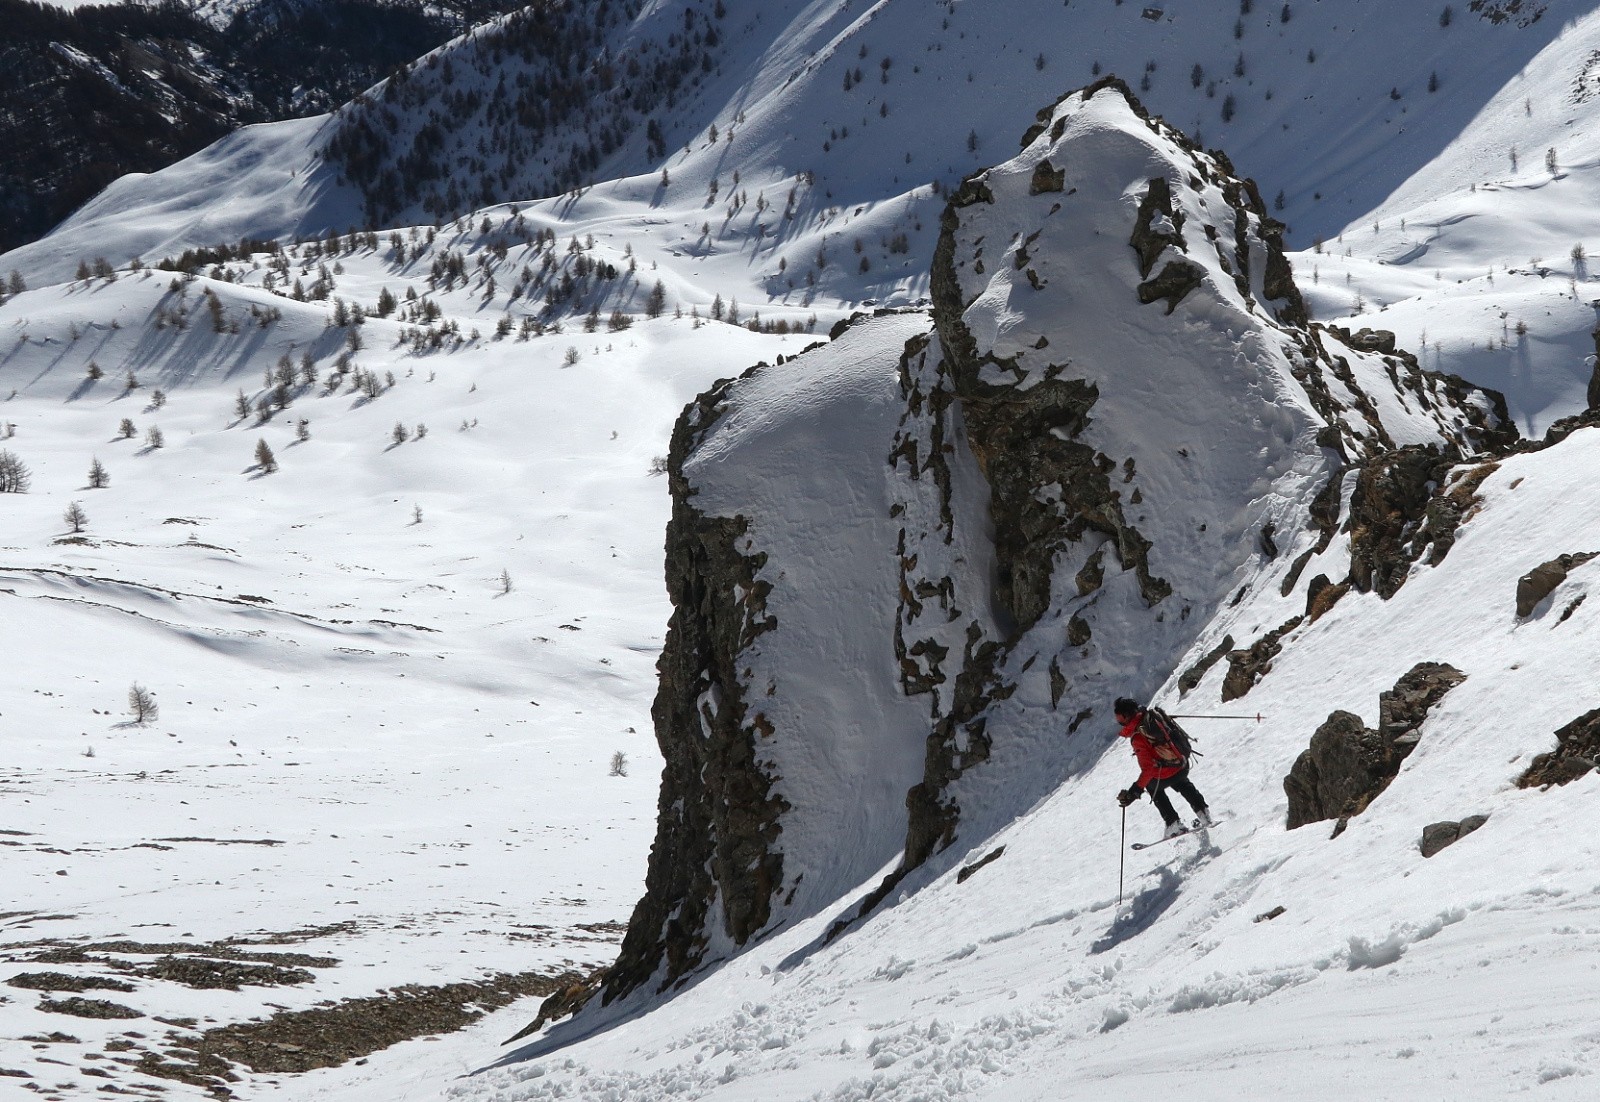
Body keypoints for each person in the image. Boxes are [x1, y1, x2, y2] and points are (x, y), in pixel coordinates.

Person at [1114, 697, 1213, 839]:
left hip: (1166, 773)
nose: (1118, 723)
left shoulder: (1138, 737)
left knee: (1152, 785)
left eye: (1119, 718)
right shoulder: (1153, 717)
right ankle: (1202, 811)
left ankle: (1173, 823)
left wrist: (1134, 791)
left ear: (1125, 716)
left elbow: (1148, 770)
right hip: (1182, 763)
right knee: (1181, 781)